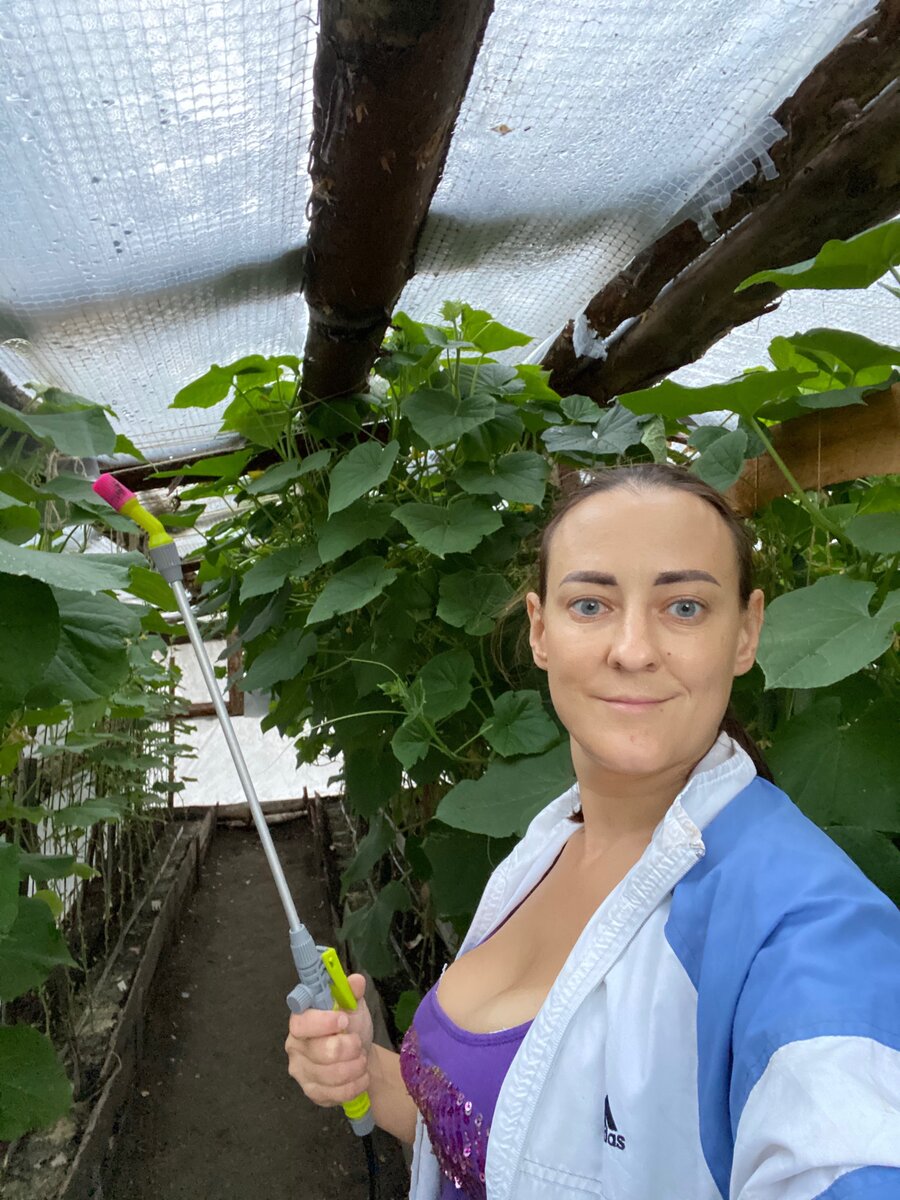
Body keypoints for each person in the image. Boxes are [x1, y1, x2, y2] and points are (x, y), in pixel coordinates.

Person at [285, 463, 900, 1199]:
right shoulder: (548, 844)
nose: (633, 649)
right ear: (541, 630)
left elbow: (849, 1141)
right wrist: (369, 1071)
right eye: (590, 605)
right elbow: (496, 1145)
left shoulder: (805, 923)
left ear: (746, 632)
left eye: (684, 607)